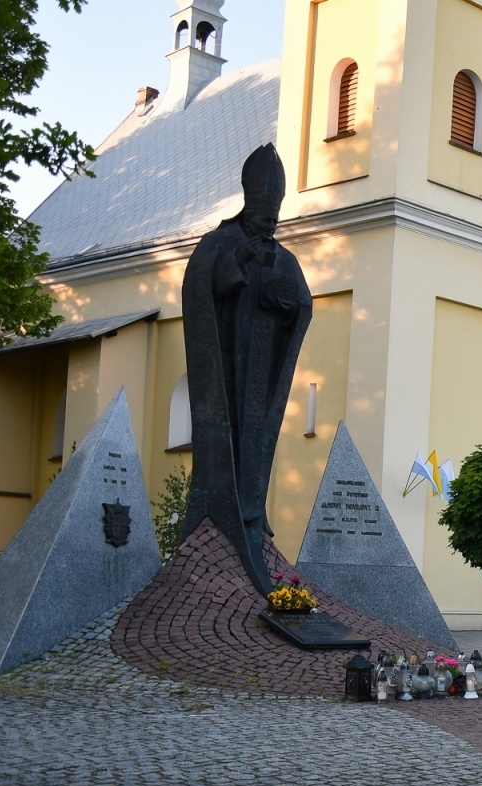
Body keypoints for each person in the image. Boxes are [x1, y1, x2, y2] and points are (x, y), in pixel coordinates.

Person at [181, 144, 313, 593]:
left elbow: (302, 305)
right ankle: (226, 510)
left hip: (261, 374)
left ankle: (252, 511)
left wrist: (285, 302)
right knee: (232, 436)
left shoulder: (284, 258)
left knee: (254, 441)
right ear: (248, 207)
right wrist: (238, 264)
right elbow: (204, 285)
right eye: (262, 219)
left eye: (273, 221)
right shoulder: (219, 243)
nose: (268, 228)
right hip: (227, 371)